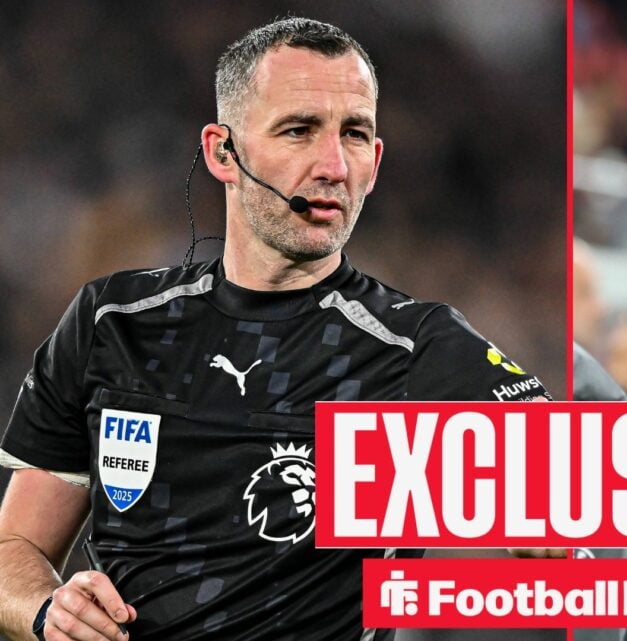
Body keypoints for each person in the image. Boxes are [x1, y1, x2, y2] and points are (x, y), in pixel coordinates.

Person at [0, 17, 552, 641]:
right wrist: (48, 609)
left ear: (375, 161)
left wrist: (554, 528)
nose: (332, 165)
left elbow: (583, 488)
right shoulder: (112, 323)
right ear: (222, 152)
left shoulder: (415, 348)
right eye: (299, 130)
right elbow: (14, 548)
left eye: (355, 135)